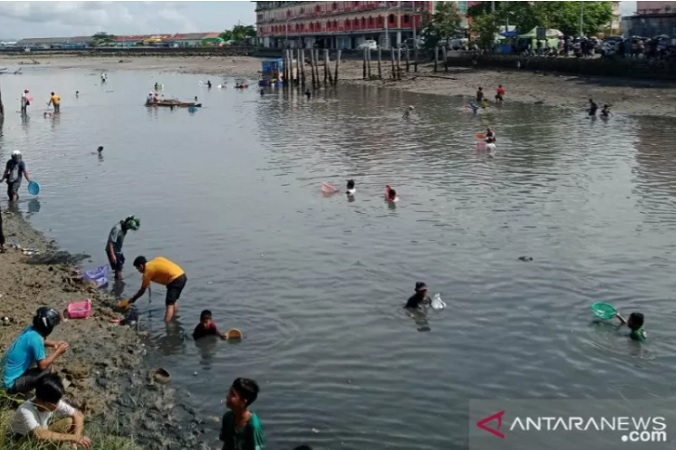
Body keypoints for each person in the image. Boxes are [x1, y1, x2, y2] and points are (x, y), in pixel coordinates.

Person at [8, 373, 92, 449]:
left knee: (70, 422)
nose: (58, 405)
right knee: (36, 434)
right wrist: (74, 438)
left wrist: (76, 437)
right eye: (54, 403)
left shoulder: (50, 400)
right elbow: (40, 435)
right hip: (21, 445)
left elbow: (78, 415)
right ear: (41, 402)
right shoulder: (25, 410)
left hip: (40, 437)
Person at [3, 307, 67, 394]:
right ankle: (45, 396)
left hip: (4, 376)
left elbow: (41, 341)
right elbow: (43, 366)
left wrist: (54, 343)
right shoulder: (36, 339)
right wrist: (58, 351)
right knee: (47, 370)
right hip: (9, 384)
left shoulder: (31, 330)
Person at [124, 256, 187, 323]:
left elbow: (142, 290)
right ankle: (174, 317)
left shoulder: (147, 272)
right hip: (182, 275)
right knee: (173, 300)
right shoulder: (155, 260)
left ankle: (168, 323)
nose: (138, 271)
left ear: (141, 266)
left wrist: (132, 299)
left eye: (137, 268)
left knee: (169, 303)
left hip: (174, 279)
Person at [220, 377, 264, 450]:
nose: (227, 396)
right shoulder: (227, 418)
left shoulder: (253, 426)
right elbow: (226, 445)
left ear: (243, 402)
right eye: (229, 392)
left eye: (233, 395)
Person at [106, 215, 141, 281]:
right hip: (113, 250)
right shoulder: (117, 229)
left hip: (118, 250)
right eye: (129, 227)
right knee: (118, 268)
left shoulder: (124, 228)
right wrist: (112, 255)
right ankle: (119, 283)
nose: (129, 229)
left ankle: (117, 279)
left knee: (121, 263)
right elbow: (111, 242)